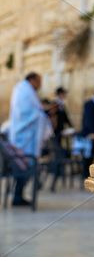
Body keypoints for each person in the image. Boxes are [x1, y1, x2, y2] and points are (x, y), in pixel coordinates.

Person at [8, 72, 53, 206]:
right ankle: (17, 196)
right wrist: (41, 113)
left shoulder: (25, 90)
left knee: (25, 166)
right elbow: (24, 112)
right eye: (39, 81)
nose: (40, 85)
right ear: (32, 80)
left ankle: (18, 195)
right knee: (23, 165)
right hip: (24, 136)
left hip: (26, 135)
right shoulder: (24, 90)